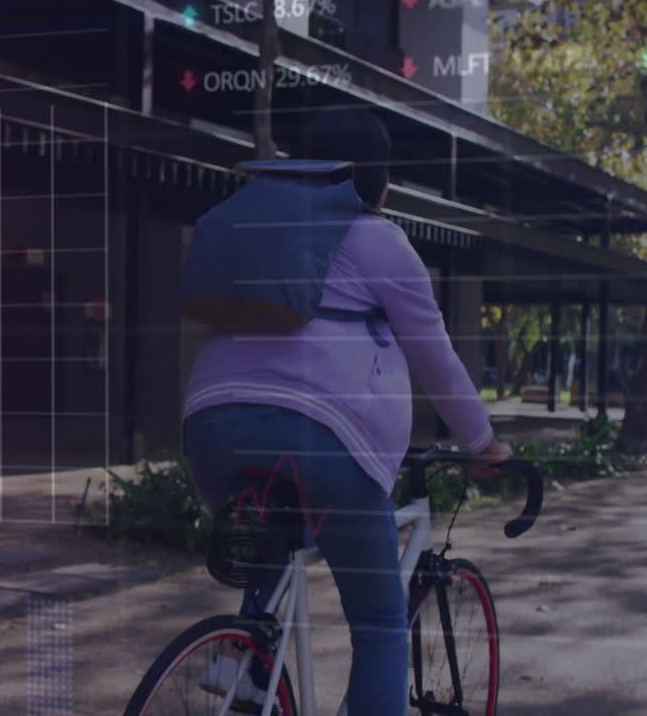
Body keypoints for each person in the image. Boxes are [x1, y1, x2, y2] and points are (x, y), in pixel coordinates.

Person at [181, 107, 511, 715]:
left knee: (280, 518)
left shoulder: (257, 228)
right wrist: (483, 443)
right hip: (324, 439)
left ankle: (246, 654)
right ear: (379, 183)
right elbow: (435, 358)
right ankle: (253, 658)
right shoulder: (377, 237)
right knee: (381, 625)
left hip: (210, 426)